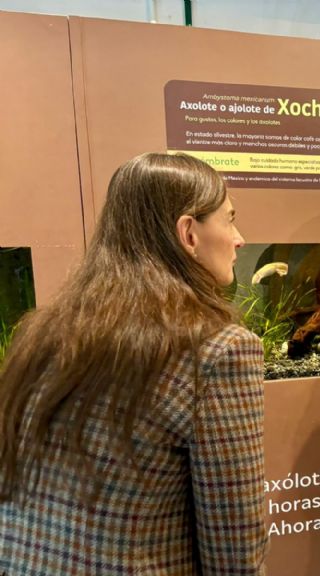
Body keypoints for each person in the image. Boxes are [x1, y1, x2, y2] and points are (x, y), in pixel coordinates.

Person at [0, 153, 269, 574]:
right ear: (188, 233)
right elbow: (234, 549)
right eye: (229, 219)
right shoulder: (218, 350)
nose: (238, 238)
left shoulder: (42, 333)